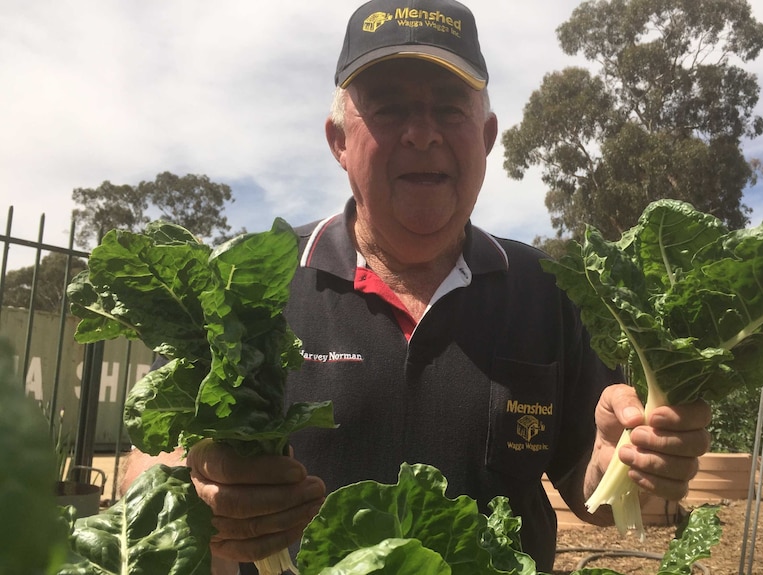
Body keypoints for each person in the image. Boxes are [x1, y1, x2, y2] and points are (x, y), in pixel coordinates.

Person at [125, 0, 711, 573]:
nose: (422, 134)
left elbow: (592, 489)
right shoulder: (254, 283)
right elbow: (149, 463)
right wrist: (197, 483)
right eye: (389, 107)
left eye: (450, 109)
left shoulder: (545, 289)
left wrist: (629, 463)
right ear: (339, 141)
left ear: (486, 137)